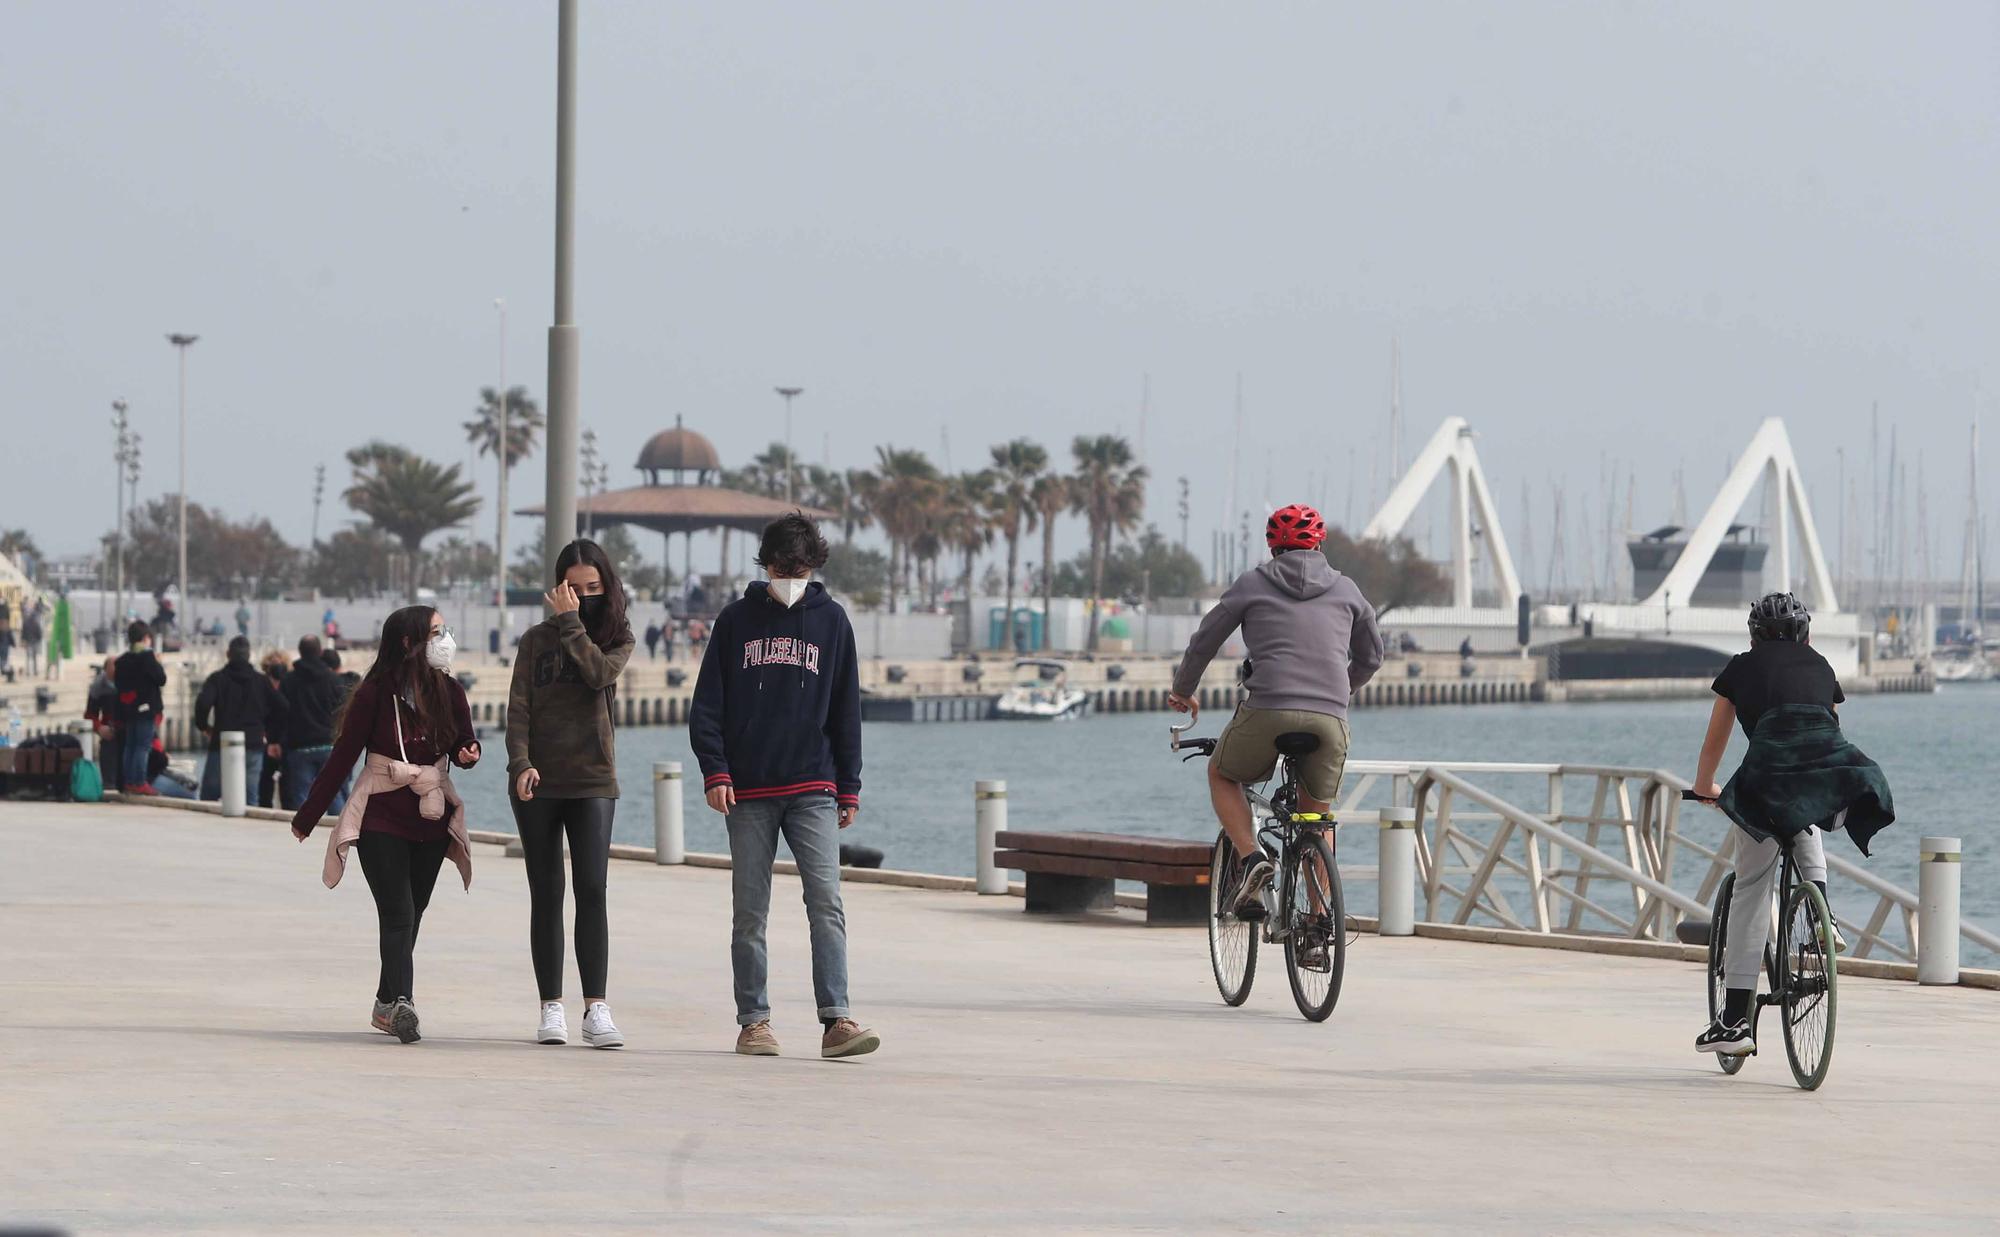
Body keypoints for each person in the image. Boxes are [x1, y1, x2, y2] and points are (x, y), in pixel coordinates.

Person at [689, 512, 878, 1060]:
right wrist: (715, 771)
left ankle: (837, 1020)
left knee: (827, 902)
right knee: (750, 910)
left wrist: (850, 785)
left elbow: (847, 709)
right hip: (746, 790)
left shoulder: (833, 622)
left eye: (798, 567)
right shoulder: (734, 621)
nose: (789, 575)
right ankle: (754, 1021)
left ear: (813, 565)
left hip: (814, 786)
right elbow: (707, 707)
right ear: (765, 563)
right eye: (780, 566)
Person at [1689, 592, 1895, 1057]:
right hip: (1833, 771)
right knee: (1806, 802)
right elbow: (1826, 731)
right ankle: (1823, 909)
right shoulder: (1821, 665)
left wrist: (1706, 786)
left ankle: (1737, 1019)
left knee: (1751, 887)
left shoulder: (1741, 667)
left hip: (1766, 779)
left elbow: (1716, 738)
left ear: (1754, 635)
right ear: (1806, 633)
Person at [1167, 504, 1383, 918]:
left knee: (1221, 772)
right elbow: (1372, 656)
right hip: (1329, 718)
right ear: (1319, 543)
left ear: (1272, 546)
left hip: (1266, 710)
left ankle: (1251, 858)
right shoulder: (1348, 590)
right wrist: (1340, 690)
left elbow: (1205, 640)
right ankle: (1320, 925)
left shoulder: (1253, 584)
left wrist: (1183, 690)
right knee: (1316, 818)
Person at [290, 606, 480, 1044]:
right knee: (398, 914)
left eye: (444, 630)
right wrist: (309, 816)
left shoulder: (450, 692)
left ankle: (383, 1001)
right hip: (381, 819)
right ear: (408, 643)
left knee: (413, 915)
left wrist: (469, 752)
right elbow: (342, 757)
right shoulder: (373, 694)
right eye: (435, 632)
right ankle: (404, 1005)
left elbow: (463, 741)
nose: (444, 639)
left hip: (431, 818)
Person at [506, 540, 636, 1049]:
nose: (582, 598)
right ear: (558, 587)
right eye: (572, 590)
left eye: (593, 589)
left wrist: (571, 624)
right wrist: (521, 763)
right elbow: (519, 709)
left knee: (592, 889)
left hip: (593, 780)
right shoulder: (534, 641)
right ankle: (551, 1007)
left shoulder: (617, 638)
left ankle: (596, 1009)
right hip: (538, 780)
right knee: (546, 892)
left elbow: (597, 673)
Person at [193, 636, 288, 801]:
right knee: (251, 796)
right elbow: (283, 707)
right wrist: (269, 730)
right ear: (249, 655)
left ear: (228, 654)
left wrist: (204, 727)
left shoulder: (217, 679)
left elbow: (203, 703)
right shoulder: (261, 681)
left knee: (209, 795)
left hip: (222, 742)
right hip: (253, 742)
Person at [283, 636, 349, 813]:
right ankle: (340, 834)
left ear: (300, 652)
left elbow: (280, 712)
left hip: (299, 747)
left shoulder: (289, 680)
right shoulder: (333, 680)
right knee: (333, 794)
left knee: (302, 797)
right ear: (320, 652)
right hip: (328, 745)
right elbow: (344, 711)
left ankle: (301, 834)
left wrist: (276, 739)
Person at [113, 621, 167, 794]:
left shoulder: (122, 661)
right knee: (143, 746)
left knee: (130, 745)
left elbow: (119, 684)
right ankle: (139, 781)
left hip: (129, 709)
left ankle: (129, 781)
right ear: (145, 638)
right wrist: (157, 663)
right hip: (146, 709)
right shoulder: (147, 657)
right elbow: (161, 679)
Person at [258, 650, 291, 807]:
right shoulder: (264, 684)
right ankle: (266, 806)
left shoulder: (287, 684)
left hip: (283, 736)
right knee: (266, 778)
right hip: (268, 737)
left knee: (285, 777)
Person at [85, 655, 123, 786]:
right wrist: (99, 728)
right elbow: (90, 714)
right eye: (113, 667)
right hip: (109, 733)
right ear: (105, 669)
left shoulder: (129, 683)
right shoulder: (98, 687)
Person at [22, 605, 43, 677]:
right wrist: (39, 639)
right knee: (34, 657)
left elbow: (23, 633)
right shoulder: (36, 623)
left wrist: (23, 640)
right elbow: (39, 633)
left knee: (28, 657)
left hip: (28, 641)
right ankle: (35, 671)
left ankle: (28, 671)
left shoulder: (26, 622)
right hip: (35, 641)